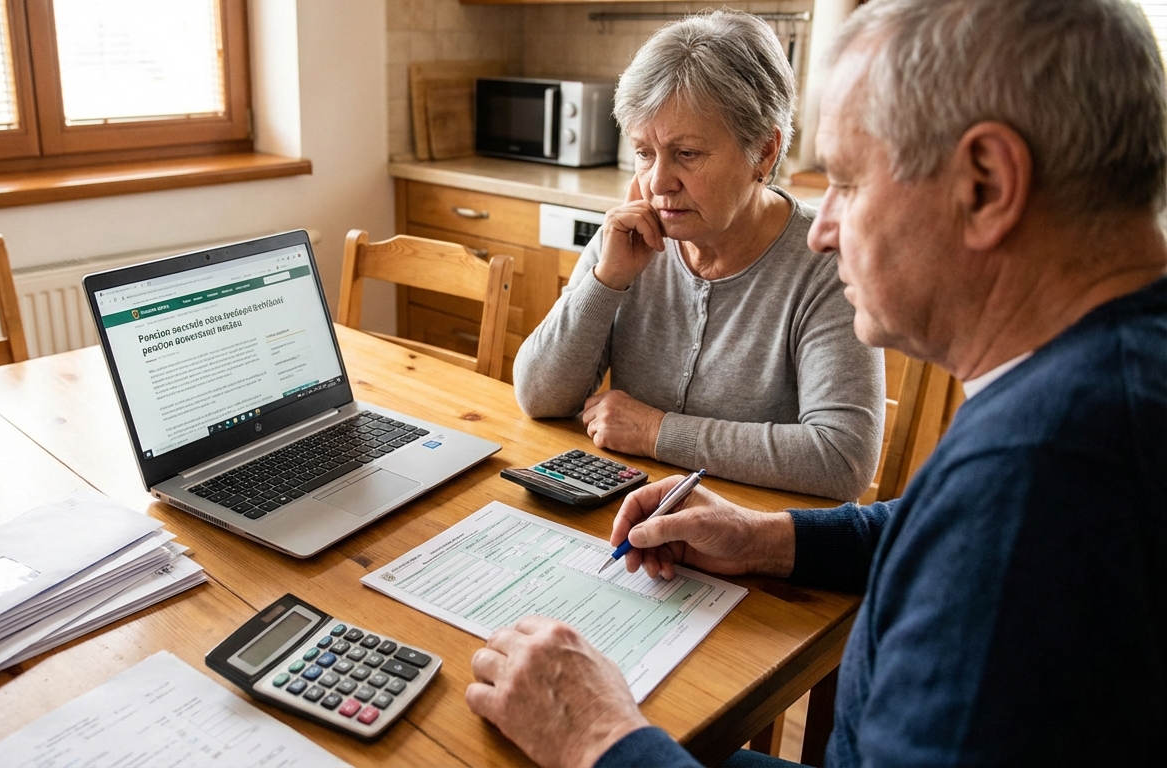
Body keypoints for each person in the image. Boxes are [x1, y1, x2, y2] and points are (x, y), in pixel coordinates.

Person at [467, 0, 1167, 765]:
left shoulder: (1045, 477)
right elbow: (933, 528)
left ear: (987, 183)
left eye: (848, 182)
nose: (825, 227)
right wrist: (769, 538)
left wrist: (601, 740)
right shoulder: (1098, 384)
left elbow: (970, 526)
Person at [512, 11, 884, 502]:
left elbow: (842, 459)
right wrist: (607, 281)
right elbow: (538, 398)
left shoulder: (824, 260)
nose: (658, 183)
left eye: (686, 153)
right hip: (633, 523)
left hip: (763, 550)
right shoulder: (631, 236)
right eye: (644, 153)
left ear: (764, 153)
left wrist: (655, 431)